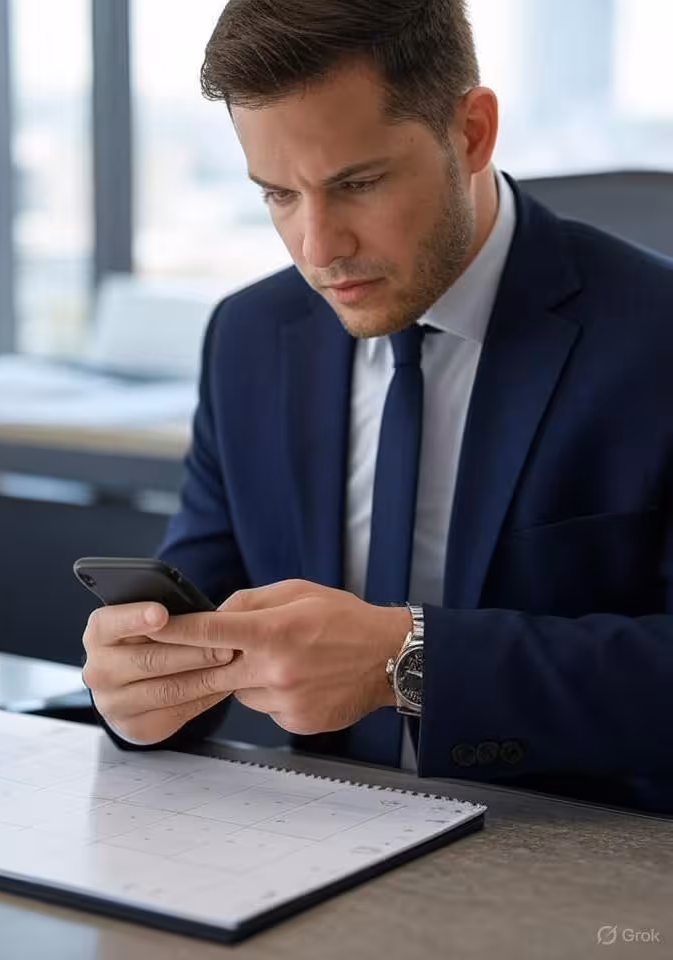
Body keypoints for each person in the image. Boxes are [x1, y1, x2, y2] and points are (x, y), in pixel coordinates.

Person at [82, 0, 673, 814]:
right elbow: (198, 610)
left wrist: (408, 659)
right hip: (312, 841)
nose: (317, 249)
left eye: (356, 184)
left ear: (472, 132)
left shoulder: (656, 337)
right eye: (277, 195)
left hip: (578, 853)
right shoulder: (250, 338)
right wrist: (141, 689)